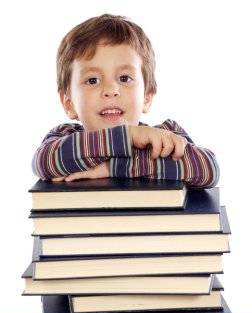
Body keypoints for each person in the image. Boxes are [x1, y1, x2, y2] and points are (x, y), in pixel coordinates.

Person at [32, 14, 219, 188]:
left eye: (124, 78)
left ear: (147, 96)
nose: (110, 90)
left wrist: (111, 167)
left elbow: (207, 168)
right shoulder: (62, 137)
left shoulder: (165, 134)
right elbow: (44, 163)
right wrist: (127, 137)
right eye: (92, 80)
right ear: (69, 103)